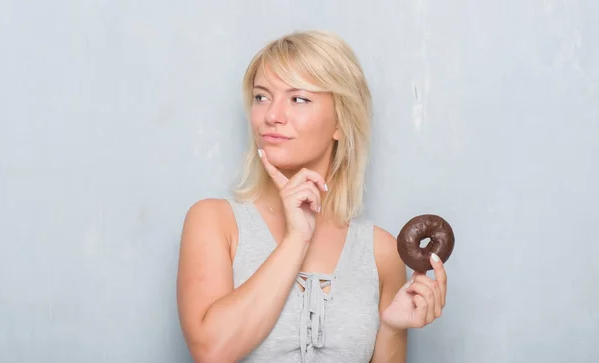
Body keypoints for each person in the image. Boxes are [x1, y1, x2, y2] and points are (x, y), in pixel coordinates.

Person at [176, 30, 448, 363]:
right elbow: (212, 351)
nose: (271, 115)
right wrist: (295, 240)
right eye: (261, 97)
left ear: (340, 122)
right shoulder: (214, 222)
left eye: (298, 98)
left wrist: (391, 330)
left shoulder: (380, 252)